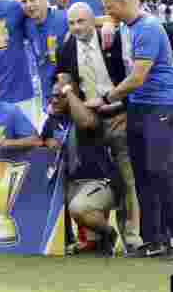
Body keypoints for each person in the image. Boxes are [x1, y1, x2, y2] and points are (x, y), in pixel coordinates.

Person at [94, 0, 173, 259]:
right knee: (143, 174)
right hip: (138, 107)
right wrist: (104, 23)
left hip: (162, 104)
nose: (107, 12)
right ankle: (154, 239)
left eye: (109, 7)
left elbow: (137, 78)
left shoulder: (148, 28)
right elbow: (100, 21)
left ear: (121, 3)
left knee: (160, 170)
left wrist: (108, 97)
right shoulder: (127, 26)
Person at [58, 1, 141, 250]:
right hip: (90, 124)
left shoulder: (114, 39)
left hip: (120, 115)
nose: (76, 27)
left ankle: (132, 237)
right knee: (92, 177)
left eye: (81, 21)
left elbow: (132, 77)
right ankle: (94, 238)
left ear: (93, 20)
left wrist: (126, 109)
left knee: (129, 179)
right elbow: (65, 79)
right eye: (71, 23)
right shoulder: (66, 49)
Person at [43, 72, 120, 256]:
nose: (54, 100)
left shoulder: (89, 113)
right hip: (70, 183)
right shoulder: (53, 120)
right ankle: (70, 239)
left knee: (79, 208)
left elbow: (86, 122)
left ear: (74, 95)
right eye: (52, 96)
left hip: (99, 183)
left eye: (60, 96)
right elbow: (43, 139)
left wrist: (69, 92)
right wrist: (47, 142)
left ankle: (108, 233)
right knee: (47, 195)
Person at [20, 0, 69, 130]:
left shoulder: (64, 18)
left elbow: (92, 22)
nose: (28, 5)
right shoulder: (27, 24)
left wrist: (107, 24)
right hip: (48, 100)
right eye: (24, 1)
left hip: (70, 98)